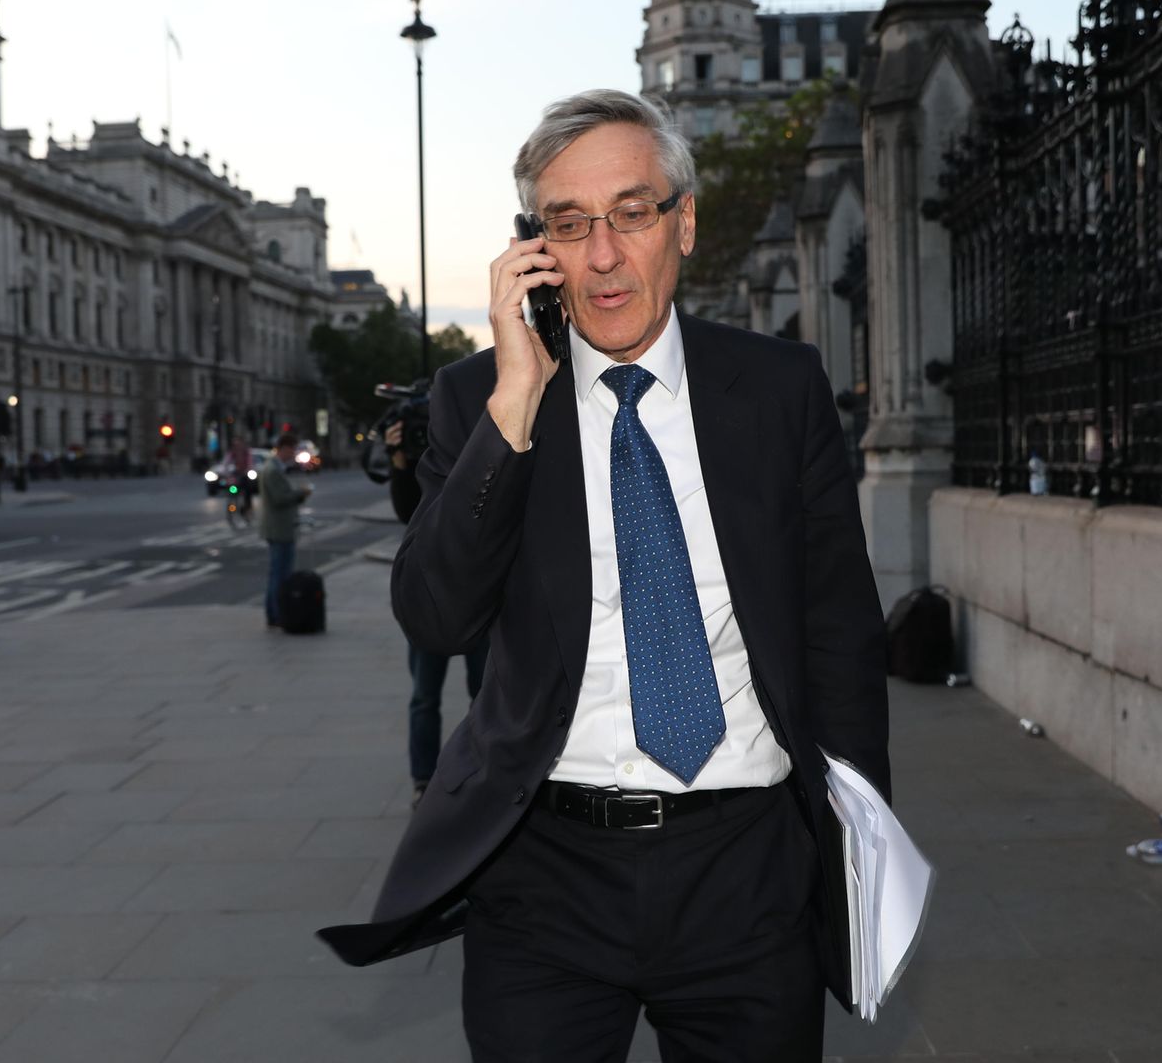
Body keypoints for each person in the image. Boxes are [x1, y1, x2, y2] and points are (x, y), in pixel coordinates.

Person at [319, 89, 889, 1062]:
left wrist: (857, 855)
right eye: (568, 224)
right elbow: (435, 616)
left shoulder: (778, 388)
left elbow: (839, 633)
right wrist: (513, 401)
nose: (601, 255)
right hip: (545, 877)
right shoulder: (480, 399)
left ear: (685, 222)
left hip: (747, 873)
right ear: (532, 244)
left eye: (632, 213)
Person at [384, 419, 490, 806]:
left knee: (486, 695)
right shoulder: (425, 458)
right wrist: (399, 463)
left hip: (481, 594)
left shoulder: (482, 444)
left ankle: (484, 773)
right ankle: (423, 780)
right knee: (424, 697)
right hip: (430, 597)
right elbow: (406, 512)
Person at [259, 430, 311, 628]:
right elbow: (279, 499)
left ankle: (273, 612)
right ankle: (277, 613)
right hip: (279, 529)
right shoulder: (272, 470)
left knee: (277, 573)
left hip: (280, 528)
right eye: (292, 450)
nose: (293, 454)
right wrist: (301, 493)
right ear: (283, 449)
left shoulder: (275, 468)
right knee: (280, 575)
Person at [222, 435, 256, 520]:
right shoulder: (232, 452)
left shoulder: (246, 452)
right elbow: (226, 462)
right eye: (235, 444)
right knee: (232, 487)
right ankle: (232, 503)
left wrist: (248, 469)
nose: (237, 446)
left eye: (238, 443)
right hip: (236, 472)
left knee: (247, 490)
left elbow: (250, 462)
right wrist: (226, 472)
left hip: (244, 473)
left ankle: (248, 508)